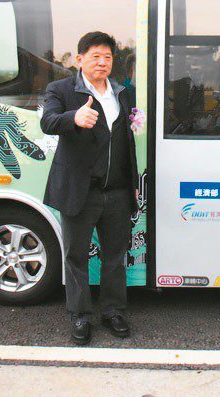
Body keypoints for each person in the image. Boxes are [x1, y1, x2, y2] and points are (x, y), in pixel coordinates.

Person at [40, 31, 139, 345]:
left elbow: (127, 143)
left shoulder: (123, 92)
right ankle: (80, 316)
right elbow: (48, 121)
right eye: (95, 56)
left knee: (115, 256)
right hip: (80, 190)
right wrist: (74, 117)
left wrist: (133, 184)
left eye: (108, 57)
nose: (102, 62)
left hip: (118, 191)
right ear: (80, 59)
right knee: (76, 257)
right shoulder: (62, 89)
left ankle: (113, 312)